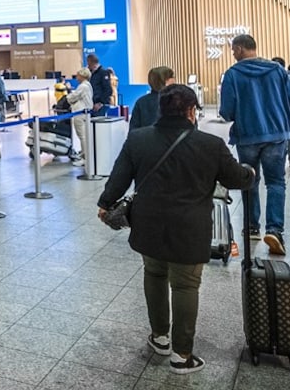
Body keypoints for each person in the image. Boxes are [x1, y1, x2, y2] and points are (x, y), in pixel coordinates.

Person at [97, 85, 254, 374]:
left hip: (148, 225)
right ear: (192, 111)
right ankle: (182, 354)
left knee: (154, 274)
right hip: (189, 228)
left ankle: (160, 337)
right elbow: (237, 179)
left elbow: (118, 178)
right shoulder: (210, 145)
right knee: (185, 285)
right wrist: (250, 172)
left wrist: (105, 204)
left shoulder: (138, 139)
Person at [220, 34, 290, 254]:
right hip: (277, 135)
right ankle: (275, 230)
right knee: (276, 183)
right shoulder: (278, 71)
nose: (233, 54)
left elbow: (227, 112)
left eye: (233, 50)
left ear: (240, 49)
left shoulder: (233, 74)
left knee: (249, 180)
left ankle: (251, 226)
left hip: (247, 136)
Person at [129, 66, 175, 130]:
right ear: (166, 81)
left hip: (145, 139)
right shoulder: (175, 100)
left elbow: (133, 130)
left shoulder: (141, 102)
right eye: (172, 77)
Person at [66, 68, 94, 170]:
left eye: (78, 75)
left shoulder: (82, 86)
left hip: (80, 113)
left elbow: (72, 97)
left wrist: (68, 96)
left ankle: (85, 158)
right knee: (85, 136)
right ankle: (85, 155)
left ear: (82, 76)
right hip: (85, 113)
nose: (76, 77)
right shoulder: (88, 85)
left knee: (82, 136)